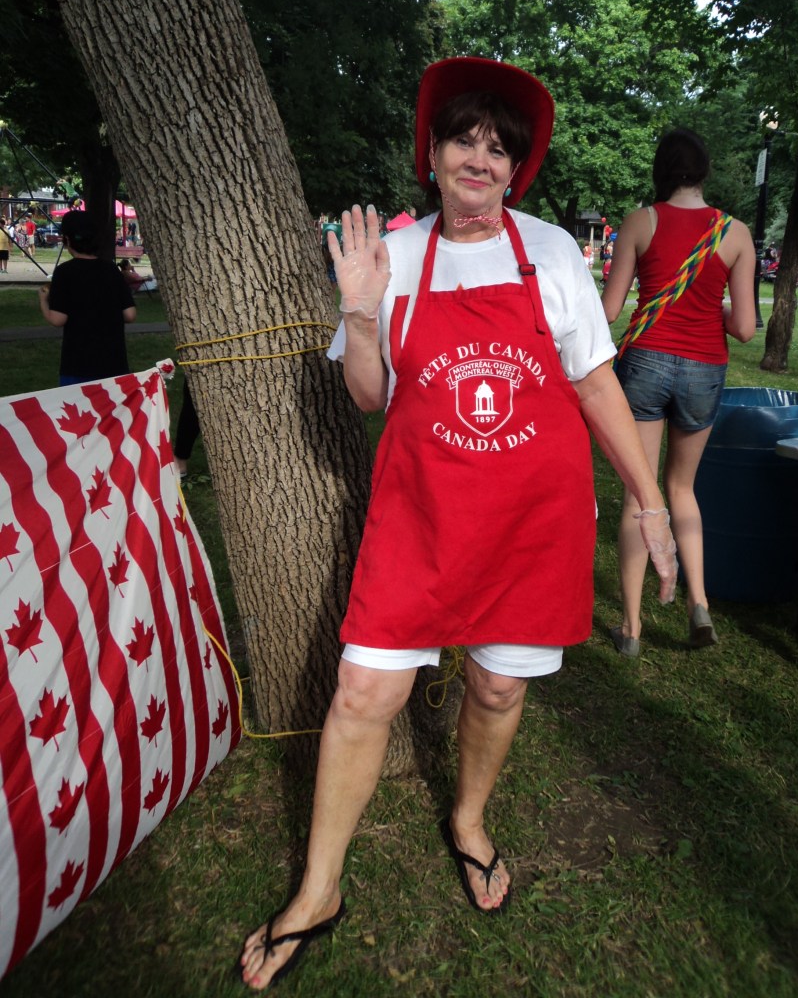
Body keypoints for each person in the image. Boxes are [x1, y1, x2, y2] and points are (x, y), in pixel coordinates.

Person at [238, 57, 677, 991]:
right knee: (362, 693)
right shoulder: (392, 254)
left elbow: (594, 379)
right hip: (421, 519)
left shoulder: (551, 250)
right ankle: (317, 891)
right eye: (463, 140)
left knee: (497, 691)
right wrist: (358, 311)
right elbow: (366, 395)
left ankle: (468, 818)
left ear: (514, 169)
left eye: (498, 147)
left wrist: (647, 498)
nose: (479, 158)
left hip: (529, 519)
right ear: (431, 155)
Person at [601, 128, 756, 656]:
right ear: (705, 170)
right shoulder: (735, 233)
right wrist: (710, 303)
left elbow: (610, 310)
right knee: (682, 489)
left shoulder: (640, 222)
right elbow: (746, 329)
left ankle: (632, 628)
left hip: (645, 362)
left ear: (661, 169)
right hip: (704, 368)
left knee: (641, 495)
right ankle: (699, 604)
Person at [38, 210, 137, 385]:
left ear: (66, 240)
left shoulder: (64, 272)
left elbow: (57, 319)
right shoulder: (111, 270)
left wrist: (43, 300)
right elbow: (130, 315)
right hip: (114, 363)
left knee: (80, 411)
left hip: (78, 365)